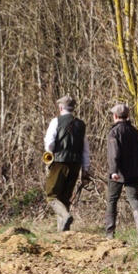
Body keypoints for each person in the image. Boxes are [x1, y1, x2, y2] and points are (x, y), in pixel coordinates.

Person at [44, 95, 90, 231]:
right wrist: (86, 170)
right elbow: (86, 150)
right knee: (65, 197)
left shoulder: (56, 121)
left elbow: (50, 143)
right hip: (76, 164)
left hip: (59, 162)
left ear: (60, 107)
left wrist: (50, 151)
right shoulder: (81, 125)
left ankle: (65, 215)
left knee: (52, 196)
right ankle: (63, 232)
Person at [105, 103, 138, 239]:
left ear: (116, 116)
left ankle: (110, 233)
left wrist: (113, 171)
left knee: (112, 199)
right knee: (134, 199)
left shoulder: (114, 132)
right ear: (127, 116)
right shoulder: (135, 132)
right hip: (135, 173)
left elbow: (114, 154)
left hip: (119, 173)